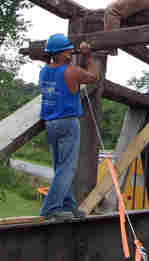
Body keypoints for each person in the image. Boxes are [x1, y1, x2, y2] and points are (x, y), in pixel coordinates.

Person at [39, 33, 99, 220]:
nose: (70, 52)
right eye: (68, 50)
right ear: (63, 54)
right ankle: (50, 209)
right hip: (67, 122)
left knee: (60, 168)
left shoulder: (44, 71)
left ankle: (69, 206)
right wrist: (88, 56)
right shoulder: (71, 72)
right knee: (67, 169)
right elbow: (94, 76)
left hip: (50, 123)